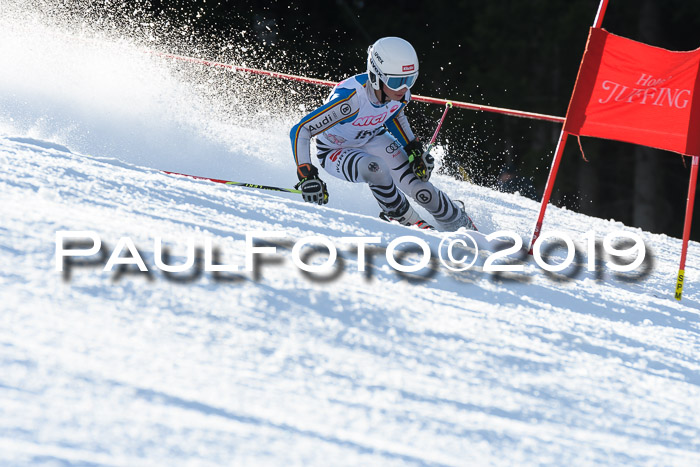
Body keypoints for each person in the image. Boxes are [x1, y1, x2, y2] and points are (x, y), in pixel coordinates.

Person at [289, 36, 475, 231]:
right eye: (396, 82)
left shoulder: (399, 94)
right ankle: (400, 216)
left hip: (372, 138)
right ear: (376, 76)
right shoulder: (349, 100)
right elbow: (301, 129)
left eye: (410, 80)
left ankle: (462, 223)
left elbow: (394, 116)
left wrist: (414, 150)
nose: (403, 89)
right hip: (335, 150)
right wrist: (307, 175)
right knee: (375, 169)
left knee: (422, 190)